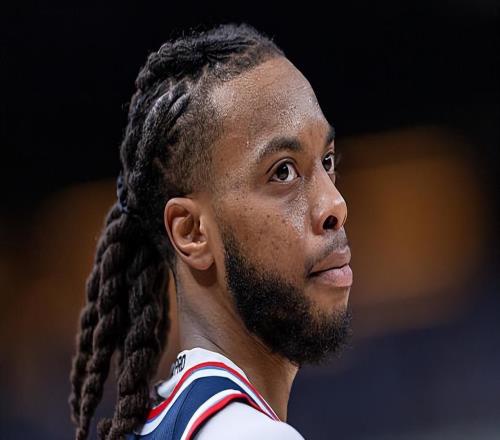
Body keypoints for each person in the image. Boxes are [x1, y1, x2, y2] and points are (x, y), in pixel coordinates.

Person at [69, 22, 353, 440]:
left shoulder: (156, 423)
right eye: (283, 172)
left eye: (326, 162)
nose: (335, 205)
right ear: (191, 232)